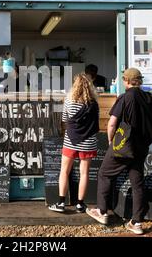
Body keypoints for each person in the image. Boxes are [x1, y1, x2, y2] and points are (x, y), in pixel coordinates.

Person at [87, 68, 152, 235]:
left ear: (126, 80)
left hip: (123, 146)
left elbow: (112, 123)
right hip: (141, 147)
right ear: (139, 81)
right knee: (137, 183)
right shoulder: (149, 98)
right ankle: (137, 223)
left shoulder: (126, 97)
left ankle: (102, 211)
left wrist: (112, 142)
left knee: (105, 174)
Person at [48, 73, 100, 214]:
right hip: (88, 141)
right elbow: (96, 123)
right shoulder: (94, 104)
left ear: (74, 86)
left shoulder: (69, 101)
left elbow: (65, 119)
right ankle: (80, 205)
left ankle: (60, 203)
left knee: (64, 171)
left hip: (71, 140)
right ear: (89, 87)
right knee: (84, 173)